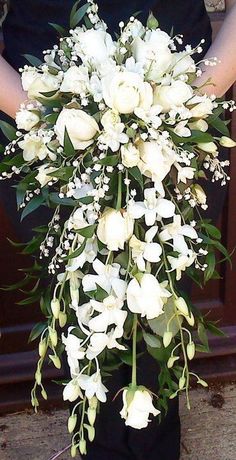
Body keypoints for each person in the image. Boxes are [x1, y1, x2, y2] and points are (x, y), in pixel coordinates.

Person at [0, 1, 236, 459]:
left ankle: (155, 434)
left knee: (165, 290)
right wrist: (46, 120)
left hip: (183, 101)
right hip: (42, 106)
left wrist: (196, 98)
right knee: (82, 296)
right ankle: (98, 440)